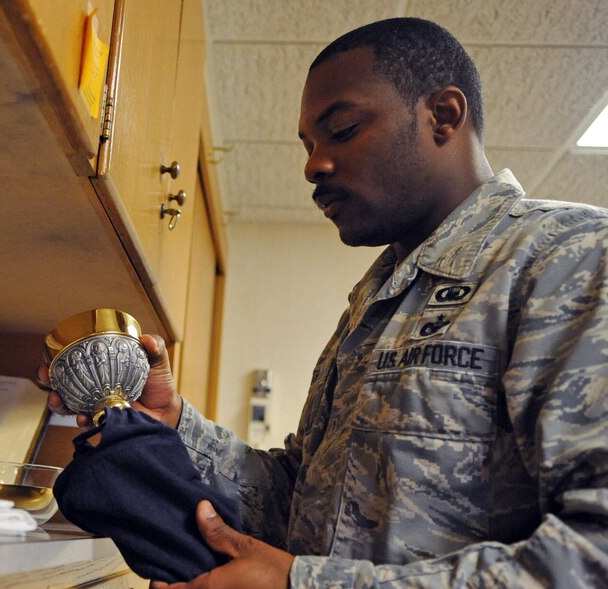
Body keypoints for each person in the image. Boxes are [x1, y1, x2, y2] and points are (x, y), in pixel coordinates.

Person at [41, 17, 608, 588]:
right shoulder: (375, 301)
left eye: (342, 131)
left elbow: (595, 552)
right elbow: (302, 501)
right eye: (309, 146)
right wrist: (172, 424)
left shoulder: (570, 257)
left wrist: (302, 585)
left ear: (444, 116)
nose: (313, 165)